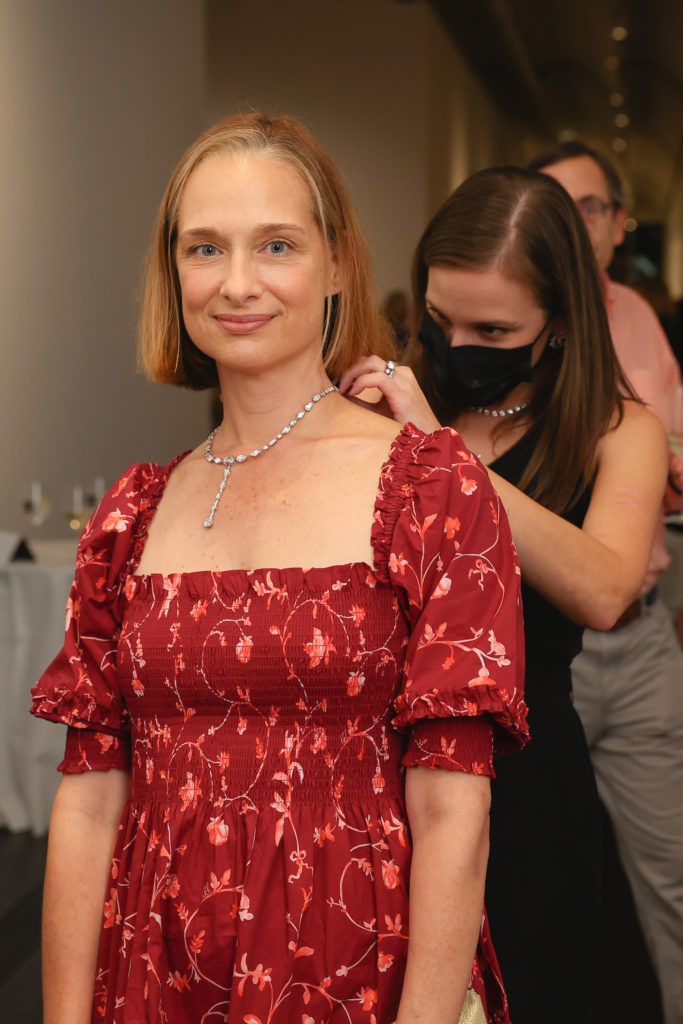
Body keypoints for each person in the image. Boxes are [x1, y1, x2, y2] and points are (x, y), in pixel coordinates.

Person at [31, 113, 528, 1024]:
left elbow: (455, 814)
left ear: (337, 264)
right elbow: (90, 806)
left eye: (277, 244)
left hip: (354, 975)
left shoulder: (430, 488)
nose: (237, 283)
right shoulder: (132, 516)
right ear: (172, 272)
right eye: (205, 248)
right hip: (156, 976)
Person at [339, 165, 669, 1024]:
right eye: (440, 321)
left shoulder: (615, 429)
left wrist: (441, 455)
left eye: (492, 328)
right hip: (382, 771)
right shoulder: (388, 404)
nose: (458, 346)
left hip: (529, 776)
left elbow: (603, 587)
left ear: (557, 324)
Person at [529, 141, 683, 1024]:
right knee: (548, 879)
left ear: (619, 225)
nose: (573, 223)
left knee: (668, 876)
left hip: (646, 638)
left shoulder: (639, 320)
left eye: (590, 207)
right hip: (551, 650)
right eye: (554, 203)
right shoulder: (511, 327)